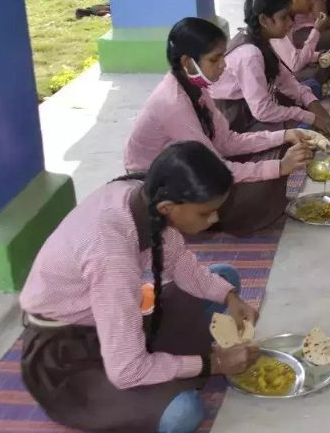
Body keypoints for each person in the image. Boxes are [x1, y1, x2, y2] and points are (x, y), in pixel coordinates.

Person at [19, 142, 262, 433]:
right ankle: (159, 373)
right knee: (182, 414)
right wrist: (214, 363)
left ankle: (167, 357)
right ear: (167, 208)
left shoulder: (143, 193)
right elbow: (126, 371)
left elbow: (180, 263)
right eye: (205, 213)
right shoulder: (112, 256)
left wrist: (230, 297)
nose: (214, 220)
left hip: (112, 317)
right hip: (66, 354)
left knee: (225, 279)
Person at [124, 18, 316, 236]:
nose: (224, 65)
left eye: (222, 57)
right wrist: (280, 167)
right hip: (157, 185)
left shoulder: (196, 87)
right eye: (215, 59)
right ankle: (200, 219)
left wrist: (285, 135)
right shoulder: (173, 104)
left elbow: (226, 141)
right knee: (260, 191)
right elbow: (216, 166)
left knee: (277, 147)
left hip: (191, 168)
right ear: (188, 63)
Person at [209, 0, 330, 138]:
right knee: (302, 130)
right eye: (284, 17)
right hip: (238, 120)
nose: (291, 23)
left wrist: (316, 109)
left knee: (310, 88)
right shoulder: (249, 54)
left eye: (290, 16)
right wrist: (309, 116)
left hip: (255, 106)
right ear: (264, 20)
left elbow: (286, 81)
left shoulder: (261, 40)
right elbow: (262, 111)